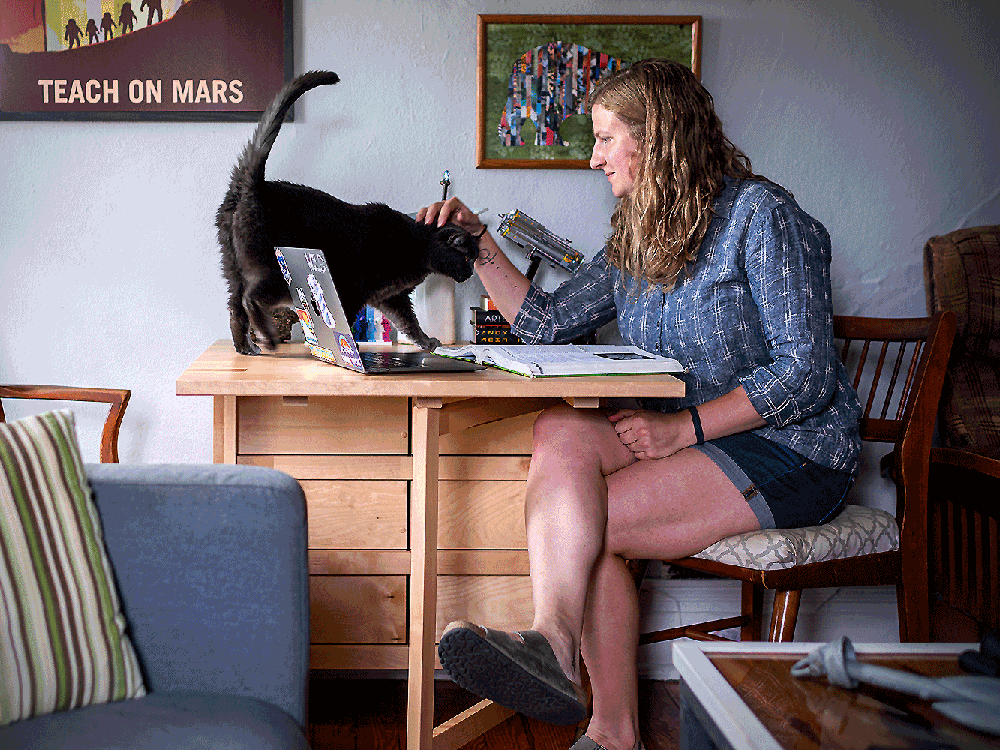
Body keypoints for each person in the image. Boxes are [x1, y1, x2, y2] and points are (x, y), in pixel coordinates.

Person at [417, 59, 861, 750]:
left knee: (588, 524)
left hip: (792, 450)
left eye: (604, 139)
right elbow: (546, 323)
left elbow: (806, 375)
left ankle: (609, 728)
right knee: (560, 429)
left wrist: (683, 429)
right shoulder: (638, 230)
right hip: (687, 435)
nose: (594, 159)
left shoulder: (763, 217)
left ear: (657, 139)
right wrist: (479, 245)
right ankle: (556, 647)